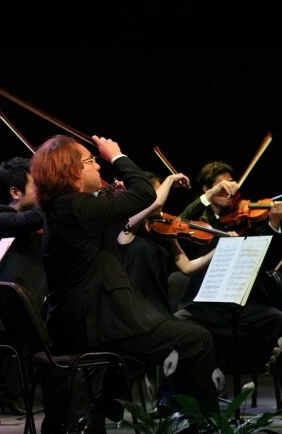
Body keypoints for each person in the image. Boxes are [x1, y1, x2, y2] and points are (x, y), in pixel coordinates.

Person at [31, 134, 220, 434]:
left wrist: (112, 198)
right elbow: (145, 193)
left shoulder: (67, 208)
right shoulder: (77, 207)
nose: (97, 166)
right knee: (197, 340)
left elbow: (119, 222)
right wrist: (115, 155)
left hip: (82, 322)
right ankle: (200, 425)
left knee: (142, 354)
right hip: (102, 323)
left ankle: (106, 401)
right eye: (91, 162)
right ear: (73, 173)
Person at [173, 160, 282, 407]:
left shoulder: (241, 218)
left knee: (281, 320)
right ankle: (175, 399)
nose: (229, 192)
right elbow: (181, 222)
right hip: (203, 305)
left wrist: (273, 224)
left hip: (237, 302)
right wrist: (208, 196)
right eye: (221, 187)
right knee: (173, 328)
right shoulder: (200, 218)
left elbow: (262, 257)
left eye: (231, 186)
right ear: (207, 188)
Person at [0, 156, 46, 415]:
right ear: (15, 192)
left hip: (30, 303)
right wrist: (56, 196)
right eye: (36, 186)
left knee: (26, 358)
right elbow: (28, 220)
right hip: (6, 309)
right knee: (13, 360)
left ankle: (20, 396)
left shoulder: (28, 219)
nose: (41, 191)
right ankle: (11, 397)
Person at [118, 172, 217, 316]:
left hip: (160, 308)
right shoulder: (127, 226)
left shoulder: (163, 227)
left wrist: (218, 249)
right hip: (136, 309)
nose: (163, 198)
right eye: (158, 191)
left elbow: (187, 267)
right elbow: (156, 202)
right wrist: (170, 178)